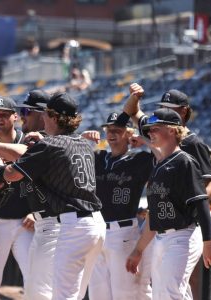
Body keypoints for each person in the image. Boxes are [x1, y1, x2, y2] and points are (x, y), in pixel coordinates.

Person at [0, 92, 106, 299]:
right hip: (94, 225)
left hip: (68, 226)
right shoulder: (83, 144)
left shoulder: (49, 145)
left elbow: (12, 174)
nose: (43, 118)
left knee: (52, 294)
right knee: (72, 294)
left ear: (53, 117)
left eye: (47, 114)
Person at [125, 107, 211, 299]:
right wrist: (138, 250)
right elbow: (155, 214)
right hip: (162, 238)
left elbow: (201, 203)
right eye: (149, 129)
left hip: (183, 236)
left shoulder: (185, 162)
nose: (150, 132)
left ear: (172, 129)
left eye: (155, 128)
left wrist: (208, 242)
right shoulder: (160, 165)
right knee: (167, 294)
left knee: (169, 293)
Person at [82, 112, 155, 300]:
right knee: (98, 294)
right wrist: (81, 139)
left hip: (122, 233)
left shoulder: (140, 161)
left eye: (117, 130)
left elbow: (165, 155)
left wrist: (145, 141)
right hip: (97, 232)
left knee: (125, 294)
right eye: (108, 130)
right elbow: (67, 156)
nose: (111, 134)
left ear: (129, 134)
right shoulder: (98, 157)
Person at [125, 84, 211, 198]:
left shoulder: (194, 143)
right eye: (162, 107)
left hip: (179, 211)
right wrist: (135, 96)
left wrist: (187, 207)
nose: (164, 111)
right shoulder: (156, 131)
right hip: (159, 207)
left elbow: (210, 188)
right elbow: (133, 112)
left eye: (168, 108)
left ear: (183, 111)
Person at [0, 96, 34, 300]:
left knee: (35, 276)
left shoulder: (27, 141)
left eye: (4, 114)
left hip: (26, 222)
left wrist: (35, 210)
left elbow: (42, 179)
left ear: (15, 116)